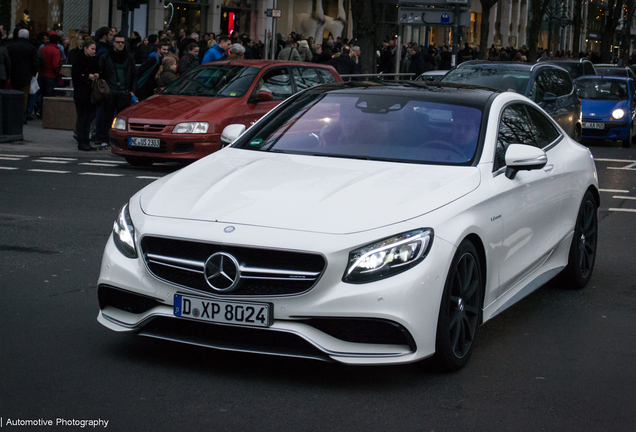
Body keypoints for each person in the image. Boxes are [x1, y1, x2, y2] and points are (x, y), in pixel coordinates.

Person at [95, 33, 136, 149]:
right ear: (113, 43)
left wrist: (132, 90)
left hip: (124, 92)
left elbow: (133, 74)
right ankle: (105, 139)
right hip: (110, 92)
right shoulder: (106, 56)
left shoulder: (128, 57)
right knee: (107, 117)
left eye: (122, 42)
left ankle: (121, 141)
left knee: (122, 119)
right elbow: (101, 71)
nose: (120, 44)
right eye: (118, 42)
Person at [72, 40, 100, 151]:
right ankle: (81, 141)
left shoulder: (93, 60)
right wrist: (87, 76)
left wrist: (97, 74)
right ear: (85, 48)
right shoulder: (79, 59)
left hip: (91, 92)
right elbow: (76, 75)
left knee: (88, 118)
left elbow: (98, 69)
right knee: (82, 117)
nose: (94, 51)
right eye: (92, 49)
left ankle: (86, 140)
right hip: (81, 92)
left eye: (94, 49)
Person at [8, 29, 38, 123]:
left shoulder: (12, 46)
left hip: (14, 74)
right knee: (24, 96)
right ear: (28, 36)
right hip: (26, 75)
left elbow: (9, 61)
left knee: (14, 95)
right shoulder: (31, 48)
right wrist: (33, 73)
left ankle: (14, 114)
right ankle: (22, 115)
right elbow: (34, 63)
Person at [40, 33, 62, 99]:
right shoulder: (56, 51)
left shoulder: (43, 49)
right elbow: (55, 65)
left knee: (42, 95)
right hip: (51, 75)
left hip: (42, 74)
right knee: (50, 97)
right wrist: (58, 73)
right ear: (57, 42)